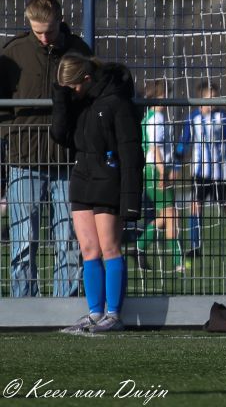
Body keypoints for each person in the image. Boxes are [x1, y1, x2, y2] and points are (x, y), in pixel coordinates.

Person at [0, 0, 92, 297]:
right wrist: (11, 134)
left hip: (66, 160)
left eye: (49, 31)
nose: (43, 37)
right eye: (37, 31)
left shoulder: (78, 51)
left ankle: (66, 303)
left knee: (68, 239)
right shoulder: (14, 53)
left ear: (60, 21)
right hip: (23, 158)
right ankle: (24, 302)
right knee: (23, 240)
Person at [50, 54, 143, 333]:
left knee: (109, 248)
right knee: (89, 250)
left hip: (108, 182)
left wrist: (131, 199)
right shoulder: (79, 102)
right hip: (82, 180)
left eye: (73, 87)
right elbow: (61, 135)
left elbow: (130, 151)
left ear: (87, 79)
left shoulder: (117, 101)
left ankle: (113, 314)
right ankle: (94, 313)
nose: (72, 92)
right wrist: (61, 100)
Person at [175, 80, 226, 257]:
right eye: (210, 98)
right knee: (195, 206)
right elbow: (184, 142)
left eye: (216, 97)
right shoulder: (192, 118)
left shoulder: (224, 116)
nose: (214, 102)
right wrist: (177, 163)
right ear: (201, 99)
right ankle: (195, 247)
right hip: (200, 172)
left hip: (222, 172)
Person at [135, 80, 182, 273]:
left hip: (152, 169)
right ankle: (176, 261)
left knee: (168, 215)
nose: (167, 99)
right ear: (156, 97)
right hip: (155, 170)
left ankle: (141, 248)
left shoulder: (151, 117)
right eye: (164, 95)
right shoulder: (156, 118)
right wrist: (163, 172)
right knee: (171, 214)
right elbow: (154, 149)